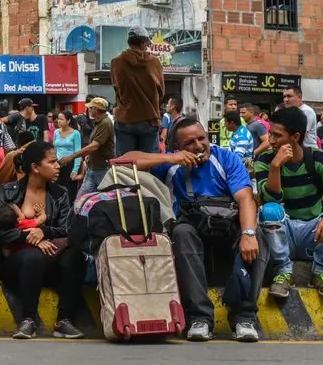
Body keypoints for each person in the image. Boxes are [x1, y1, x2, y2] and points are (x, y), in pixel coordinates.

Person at [117, 116, 267, 343]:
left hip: (228, 224)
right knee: (181, 233)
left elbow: (246, 198)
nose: (198, 146)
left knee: (258, 236)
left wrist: (248, 234)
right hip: (193, 227)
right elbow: (123, 162)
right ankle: (200, 318)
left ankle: (244, 317)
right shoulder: (170, 164)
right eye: (189, 143)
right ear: (178, 147)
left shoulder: (226, 158)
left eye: (201, 138)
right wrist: (170, 158)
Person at [0, 142, 86, 340]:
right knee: (33, 257)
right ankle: (28, 320)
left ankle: (64, 321)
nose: (58, 165)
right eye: (52, 162)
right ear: (35, 167)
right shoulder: (8, 192)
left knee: (75, 256)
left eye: (57, 161)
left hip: (50, 261)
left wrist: (43, 231)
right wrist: (28, 237)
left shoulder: (60, 194)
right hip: (15, 264)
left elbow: (67, 230)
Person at [256, 107, 323, 299]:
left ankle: (321, 271)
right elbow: (271, 199)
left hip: (314, 234)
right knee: (270, 210)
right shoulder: (265, 160)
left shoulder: (319, 158)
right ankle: (283, 270)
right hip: (284, 233)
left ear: (295, 137)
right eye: (270, 134)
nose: (270, 140)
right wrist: (275, 167)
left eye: (277, 135)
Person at [111, 26, 165, 155]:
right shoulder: (154, 63)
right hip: (149, 118)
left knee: (125, 164)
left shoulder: (116, 62)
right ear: (142, 43)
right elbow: (161, 91)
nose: (147, 47)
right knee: (149, 163)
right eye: (146, 44)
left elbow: (117, 88)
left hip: (125, 118)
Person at [58, 97, 114, 198]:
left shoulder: (105, 123)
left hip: (102, 168)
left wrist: (71, 157)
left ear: (96, 109)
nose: (88, 110)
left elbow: (94, 146)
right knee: (81, 199)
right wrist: (88, 155)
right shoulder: (99, 122)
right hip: (93, 167)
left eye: (90, 108)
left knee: (105, 198)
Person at [52, 111, 81, 193]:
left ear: (68, 121)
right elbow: (54, 149)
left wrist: (75, 170)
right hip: (58, 164)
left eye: (61, 119)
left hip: (70, 164)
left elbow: (78, 153)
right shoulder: (56, 132)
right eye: (58, 119)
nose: (58, 121)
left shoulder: (75, 133)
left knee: (70, 191)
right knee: (57, 190)